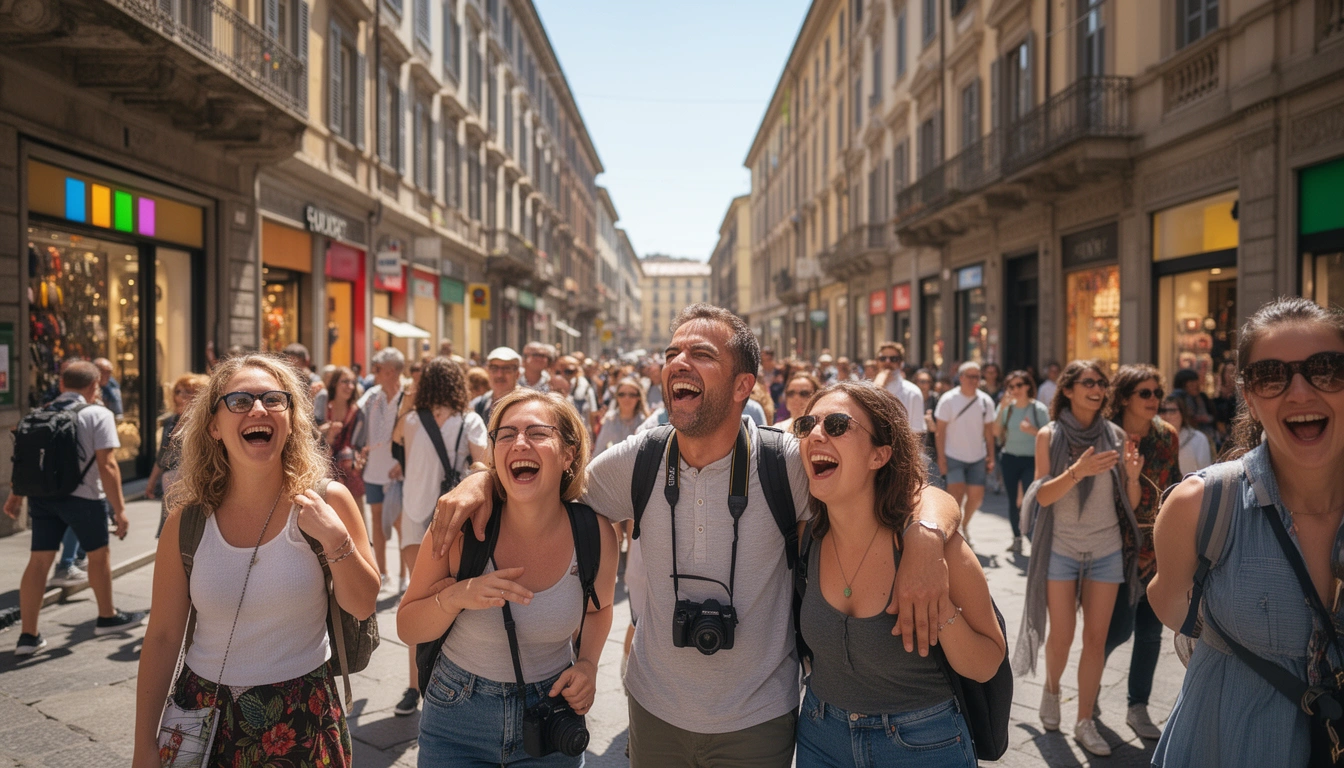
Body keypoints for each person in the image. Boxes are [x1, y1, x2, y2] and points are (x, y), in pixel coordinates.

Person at [429, 304, 962, 767]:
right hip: (654, 709)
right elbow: (545, 476)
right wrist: (481, 479)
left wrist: (924, 533)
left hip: (760, 715)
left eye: (702, 354)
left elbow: (904, 487)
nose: (678, 362)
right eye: (671, 353)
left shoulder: (786, 461)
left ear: (742, 386)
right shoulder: (638, 460)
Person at [131, 353, 379, 768]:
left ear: (292, 418)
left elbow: (362, 603)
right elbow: (161, 637)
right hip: (205, 716)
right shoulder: (187, 521)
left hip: (304, 717)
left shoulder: (329, 501)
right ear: (213, 425)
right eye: (240, 401)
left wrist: (335, 538)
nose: (258, 409)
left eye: (273, 399)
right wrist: (144, 745)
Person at [1147, 298, 1344, 767]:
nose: (1300, 392)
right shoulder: (1199, 506)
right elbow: (1172, 603)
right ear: (1250, 397)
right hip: (1226, 742)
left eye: (1327, 369)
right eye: (1271, 376)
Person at [399, 390, 618, 767]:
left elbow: (600, 609)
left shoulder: (594, 534)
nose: (519, 443)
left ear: (568, 454)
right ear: (494, 453)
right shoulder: (458, 527)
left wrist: (587, 665)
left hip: (553, 717)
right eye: (505, 434)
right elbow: (407, 627)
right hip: (456, 719)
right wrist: (456, 597)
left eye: (536, 433)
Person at [792, 381, 1004, 768]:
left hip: (922, 742)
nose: (816, 434)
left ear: (880, 455)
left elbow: (987, 661)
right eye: (807, 425)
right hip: (819, 735)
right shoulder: (807, 538)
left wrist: (937, 608)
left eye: (838, 425)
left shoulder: (937, 550)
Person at [1012, 360, 1142, 757]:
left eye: (1102, 383)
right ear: (1067, 389)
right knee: (1063, 635)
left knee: (1095, 639)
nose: (1098, 389)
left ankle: (1084, 720)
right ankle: (1051, 690)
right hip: (1061, 549)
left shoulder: (1115, 435)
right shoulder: (1049, 435)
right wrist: (1078, 471)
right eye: (1089, 382)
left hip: (1105, 550)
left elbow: (1129, 506)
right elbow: (1041, 498)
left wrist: (1134, 477)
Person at [4, 361, 145, 655]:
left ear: (62, 384)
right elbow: (107, 464)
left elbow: (26, 461)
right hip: (85, 498)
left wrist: (16, 496)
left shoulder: (39, 413)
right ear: (95, 386)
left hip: (43, 499)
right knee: (98, 556)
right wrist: (119, 510)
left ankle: (28, 637)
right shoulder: (98, 414)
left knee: (39, 561)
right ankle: (106, 617)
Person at [390, 357, 489, 716]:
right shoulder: (471, 421)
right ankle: (439, 678)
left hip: (416, 515)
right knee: (447, 594)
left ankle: (414, 686)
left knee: (415, 598)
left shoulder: (411, 419)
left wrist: (409, 396)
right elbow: (483, 466)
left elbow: (396, 440)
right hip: (452, 518)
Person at [1102, 364, 1180, 741]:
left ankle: (1138, 707)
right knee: (1115, 629)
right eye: (1145, 394)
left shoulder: (1167, 437)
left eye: (1157, 394)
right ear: (1125, 397)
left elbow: (1174, 485)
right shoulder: (1107, 437)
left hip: (1157, 544)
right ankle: (1088, 694)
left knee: (1151, 632)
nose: (1154, 401)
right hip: (1112, 546)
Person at [359, 347, 408, 589]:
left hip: (397, 471)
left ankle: (403, 576)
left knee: (399, 523)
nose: (373, 373)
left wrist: (403, 463)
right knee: (377, 521)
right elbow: (354, 418)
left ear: (390, 371)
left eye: (377, 369)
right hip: (373, 470)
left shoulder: (408, 397)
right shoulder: (371, 396)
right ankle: (383, 573)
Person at [934, 362, 997, 548]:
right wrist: (941, 458)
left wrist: (991, 456)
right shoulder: (948, 399)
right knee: (956, 495)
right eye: (970, 376)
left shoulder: (986, 401)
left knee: (977, 497)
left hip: (977, 456)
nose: (974, 380)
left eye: (977, 376)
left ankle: (964, 525)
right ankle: (954, 532)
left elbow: (988, 432)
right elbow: (940, 431)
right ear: (960, 378)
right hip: (953, 455)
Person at [146, 373, 210, 536]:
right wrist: (151, 482)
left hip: (195, 480)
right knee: (171, 527)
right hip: (170, 482)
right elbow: (162, 456)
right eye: (178, 391)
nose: (182, 396)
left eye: (188, 391)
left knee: (190, 527)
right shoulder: (171, 420)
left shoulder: (204, 420)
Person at [994, 370, 1048, 555]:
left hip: (1032, 459)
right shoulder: (1007, 408)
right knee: (1011, 500)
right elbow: (995, 432)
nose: (1015, 389)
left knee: (1029, 498)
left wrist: (1033, 430)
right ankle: (1017, 538)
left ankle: (1033, 537)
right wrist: (1001, 408)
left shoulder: (1038, 408)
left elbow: (1049, 434)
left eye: (1018, 385)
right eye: (1011, 386)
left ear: (1027, 386)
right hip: (1009, 458)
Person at [317, 367, 368, 512]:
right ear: (334, 384)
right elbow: (310, 431)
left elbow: (359, 444)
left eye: (353, 382)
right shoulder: (324, 405)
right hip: (324, 463)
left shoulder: (356, 412)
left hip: (348, 468)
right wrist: (327, 431)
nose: (350, 386)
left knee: (355, 509)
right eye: (345, 382)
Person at [1159, 395, 1212, 475]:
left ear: (1182, 413)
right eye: (1163, 411)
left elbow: (1205, 474)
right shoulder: (1155, 439)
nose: (1167, 416)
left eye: (1172, 411)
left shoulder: (1198, 439)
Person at [596, 377, 649, 456]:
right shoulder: (610, 420)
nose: (626, 398)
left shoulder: (645, 422)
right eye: (622, 394)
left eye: (632, 395)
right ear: (617, 397)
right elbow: (599, 450)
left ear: (639, 397)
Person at [472, 347, 523, 423]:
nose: (499, 375)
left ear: (517, 374)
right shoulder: (479, 405)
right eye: (494, 368)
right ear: (488, 371)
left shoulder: (527, 403)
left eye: (506, 369)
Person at [1173, 368, 1217, 448]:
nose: (1196, 386)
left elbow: (1213, 415)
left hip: (1208, 436)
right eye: (1191, 384)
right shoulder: (1180, 399)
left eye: (1196, 383)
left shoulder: (1202, 397)